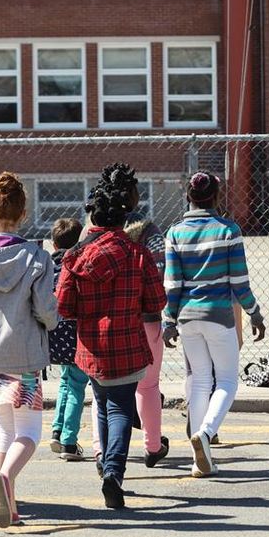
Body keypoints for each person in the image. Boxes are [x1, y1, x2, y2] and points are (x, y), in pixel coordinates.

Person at [58, 183, 165, 508]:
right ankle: (113, 472)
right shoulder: (137, 253)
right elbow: (157, 300)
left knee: (102, 403)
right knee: (119, 407)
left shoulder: (76, 255)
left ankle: (105, 462)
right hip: (127, 343)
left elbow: (63, 305)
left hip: (91, 345)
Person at [0, 173, 60, 528]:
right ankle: (5, 479)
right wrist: (52, 321)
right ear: (23, 215)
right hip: (25, 356)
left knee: (4, 428)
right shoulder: (37, 257)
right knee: (30, 432)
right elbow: (45, 310)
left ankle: (10, 504)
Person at [162, 172, 265, 476]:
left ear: (188, 197)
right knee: (227, 382)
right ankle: (205, 434)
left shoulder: (174, 233)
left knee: (200, 380)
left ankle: (198, 460)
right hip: (219, 316)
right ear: (217, 198)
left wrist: (169, 320)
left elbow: (173, 284)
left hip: (186, 319)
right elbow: (239, 283)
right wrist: (254, 313)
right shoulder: (228, 231)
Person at [110, 163, 171, 468]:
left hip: (106, 320)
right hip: (146, 319)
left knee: (104, 389)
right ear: (136, 198)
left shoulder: (98, 228)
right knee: (147, 386)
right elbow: (159, 272)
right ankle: (153, 445)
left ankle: (101, 451)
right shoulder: (150, 231)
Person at [48, 217, 89, 463]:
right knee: (76, 385)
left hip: (54, 335)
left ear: (53, 244)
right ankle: (69, 442)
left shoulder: (49, 265)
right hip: (76, 335)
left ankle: (57, 428)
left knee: (65, 380)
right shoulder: (78, 264)